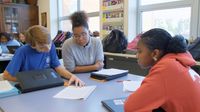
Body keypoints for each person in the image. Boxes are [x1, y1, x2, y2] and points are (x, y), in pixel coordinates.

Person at [124, 28, 200, 112]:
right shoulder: (177, 61)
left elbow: (130, 107)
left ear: (155, 53)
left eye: (140, 51)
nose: (137, 56)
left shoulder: (167, 68)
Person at [3, 25, 85, 86]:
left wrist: (72, 76)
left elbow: (58, 68)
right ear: (32, 45)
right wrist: (30, 79)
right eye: (42, 47)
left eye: (49, 44)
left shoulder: (51, 45)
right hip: (30, 86)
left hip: (46, 84)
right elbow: (6, 75)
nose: (48, 49)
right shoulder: (22, 51)